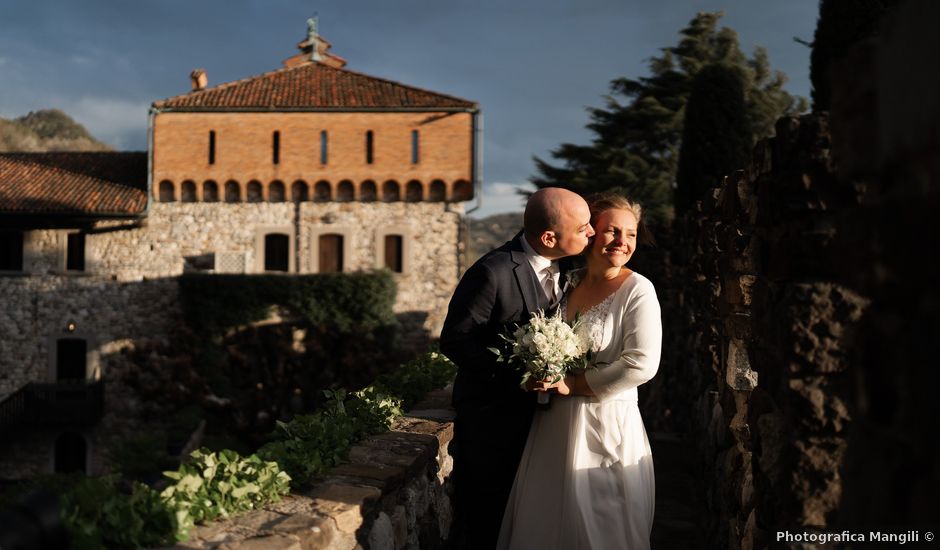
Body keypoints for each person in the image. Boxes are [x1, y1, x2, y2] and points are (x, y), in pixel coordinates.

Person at [496, 192, 663, 550]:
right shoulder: (566, 283)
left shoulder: (638, 291)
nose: (622, 242)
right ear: (590, 233)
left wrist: (576, 384)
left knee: (601, 527)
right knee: (545, 522)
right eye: (612, 231)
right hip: (552, 426)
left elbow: (642, 363)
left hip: (606, 425)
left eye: (631, 234)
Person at [440, 187, 595, 549]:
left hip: (547, 427)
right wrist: (518, 379)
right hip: (493, 426)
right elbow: (455, 340)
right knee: (489, 523)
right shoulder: (492, 272)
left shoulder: (572, 267)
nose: (592, 232)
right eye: (584, 227)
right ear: (548, 237)